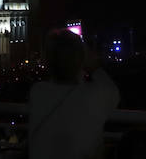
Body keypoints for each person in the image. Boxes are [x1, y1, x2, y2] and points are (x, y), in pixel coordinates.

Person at [27, 30, 119, 159]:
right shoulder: (93, 95)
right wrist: (92, 65)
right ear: (81, 59)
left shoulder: (37, 92)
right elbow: (112, 91)